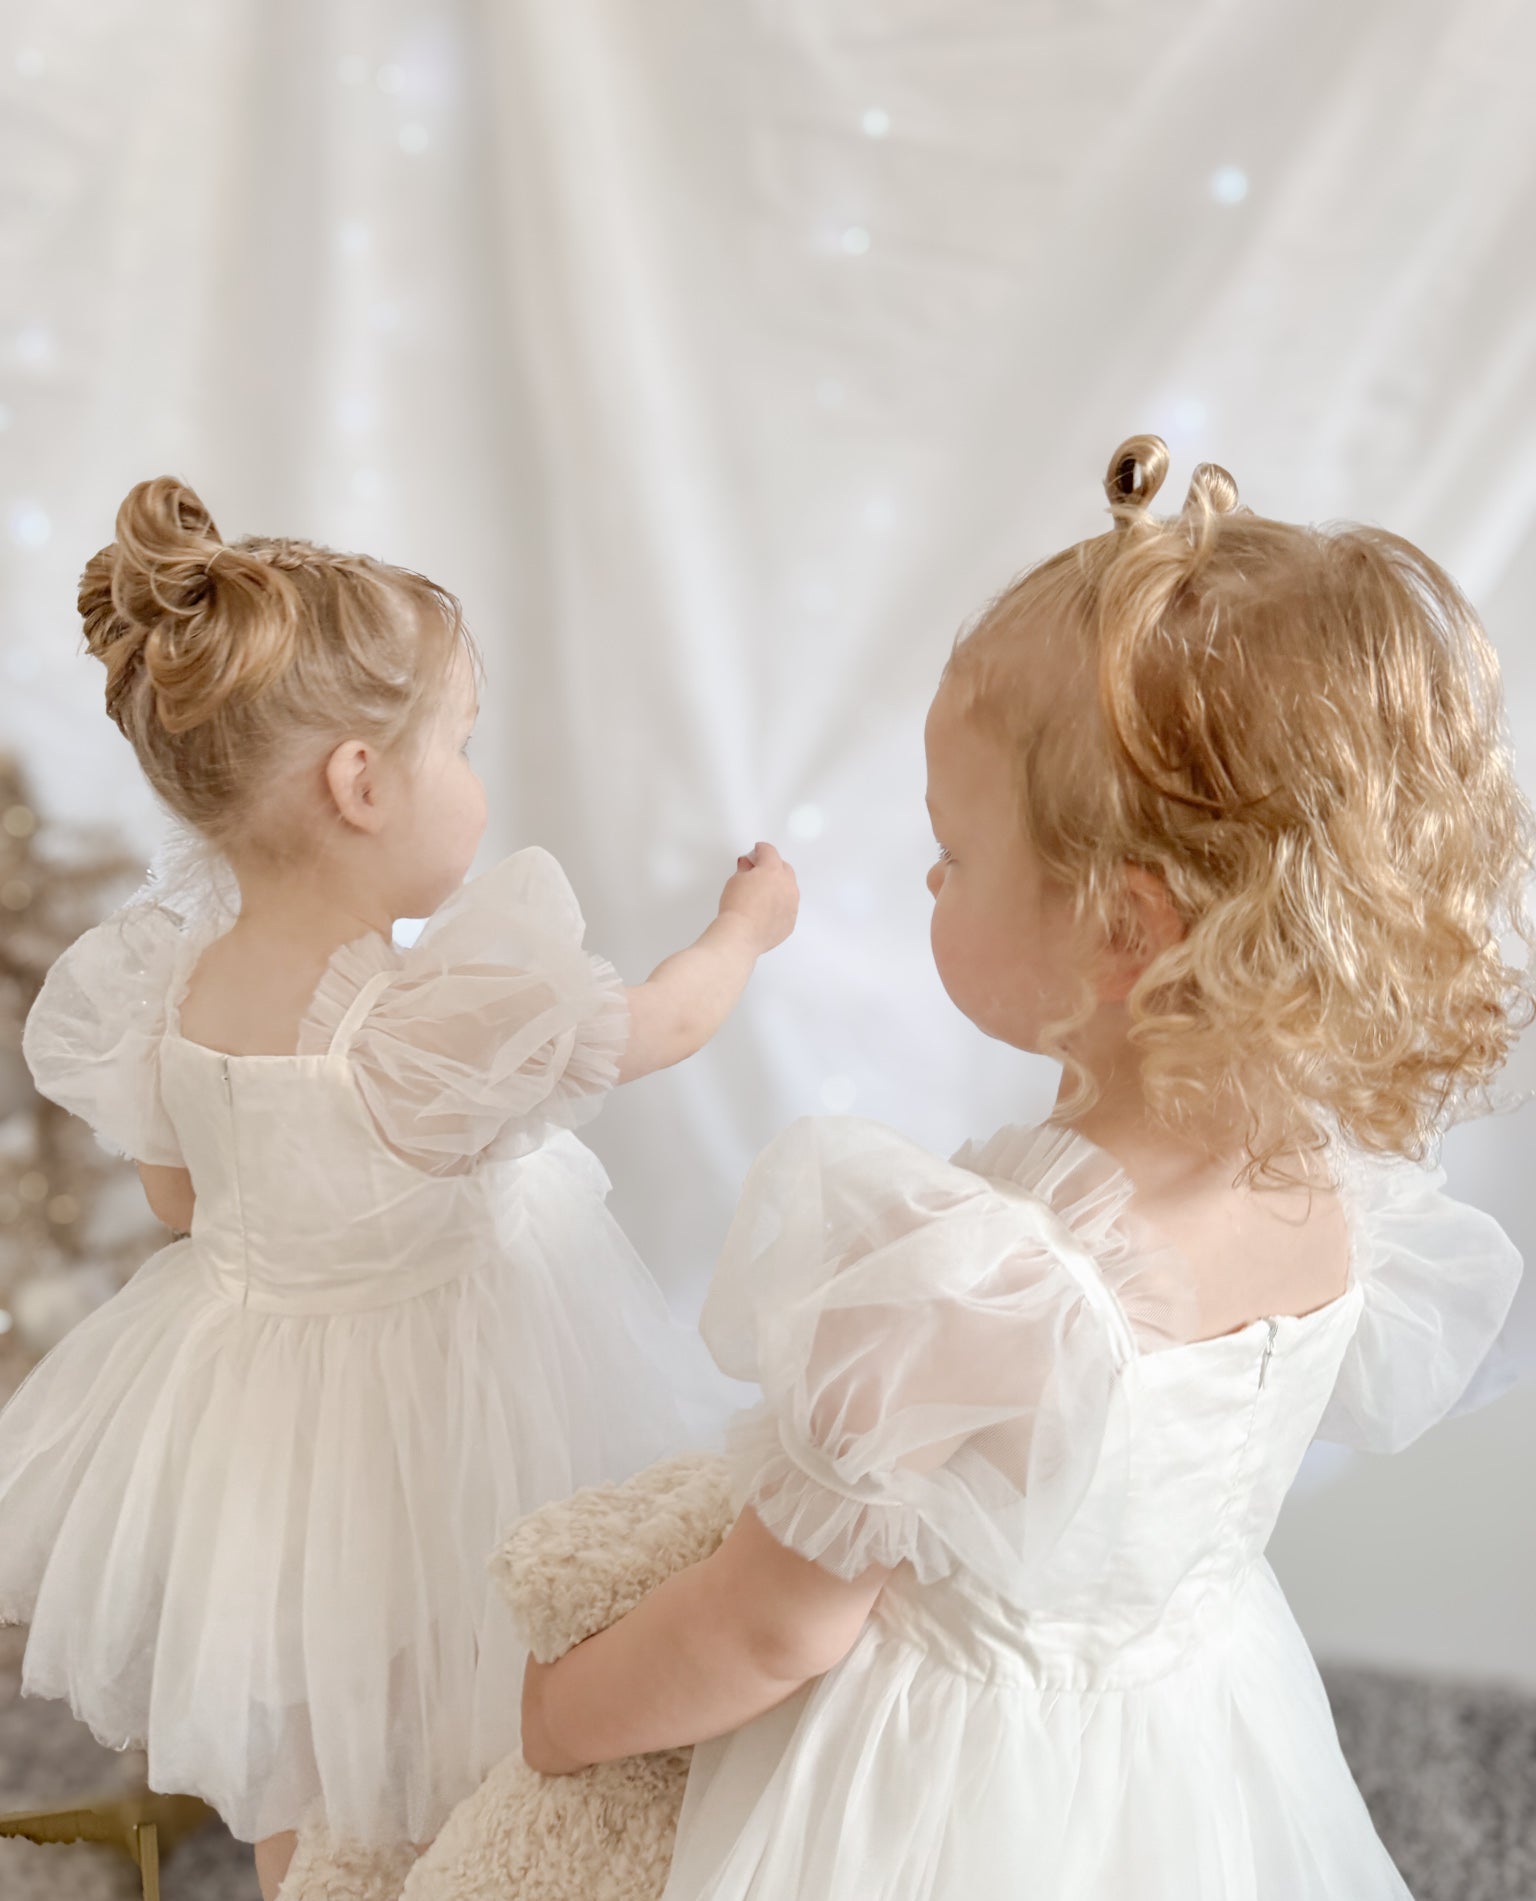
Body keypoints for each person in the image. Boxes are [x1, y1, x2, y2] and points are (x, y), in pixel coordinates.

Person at [520, 436, 1530, 1900]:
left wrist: (560, 1715)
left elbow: (765, 1626)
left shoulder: (981, 1283)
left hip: (951, 1797)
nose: (929, 880)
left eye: (952, 850)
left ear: (1125, 929)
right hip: (1188, 1737)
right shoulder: (1329, 1197)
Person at [0, 477, 797, 1901]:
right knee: (473, 1664)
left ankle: (310, 1879)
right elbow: (657, 1023)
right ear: (363, 782)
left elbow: (183, 1202)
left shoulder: (168, 988)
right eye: (463, 744)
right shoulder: (424, 1013)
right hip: (457, 1381)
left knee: (309, 1696)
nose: (478, 778)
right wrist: (744, 928)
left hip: (252, 1408)